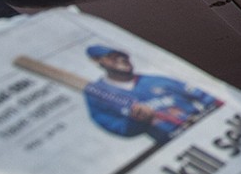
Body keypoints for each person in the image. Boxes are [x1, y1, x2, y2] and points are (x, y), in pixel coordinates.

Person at [82, 44, 222, 140]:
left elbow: (206, 96)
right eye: (112, 56)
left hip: (208, 130)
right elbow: (116, 127)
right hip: (172, 142)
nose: (121, 59)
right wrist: (136, 120)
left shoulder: (156, 80)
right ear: (97, 61)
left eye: (123, 56)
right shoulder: (97, 93)